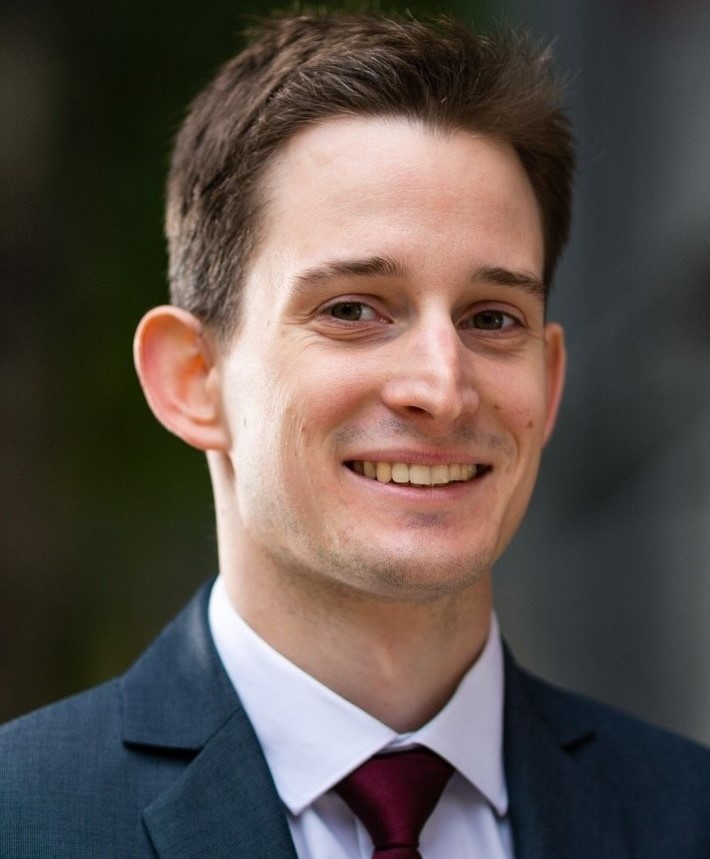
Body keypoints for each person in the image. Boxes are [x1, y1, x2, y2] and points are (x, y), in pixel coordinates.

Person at [1, 11, 709, 858]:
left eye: (492, 318)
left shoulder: (687, 815)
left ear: (549, 384)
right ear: (192, 378)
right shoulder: (24, 817)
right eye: (352, 309)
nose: (442, 388)